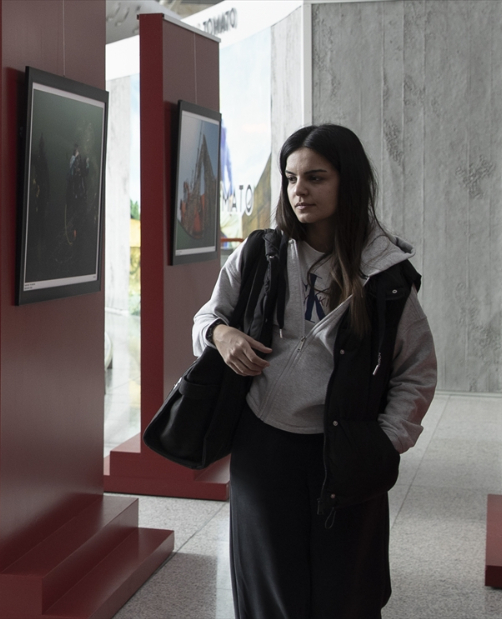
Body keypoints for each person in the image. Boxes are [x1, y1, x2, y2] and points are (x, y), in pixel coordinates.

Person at [193, 124, 437, 618]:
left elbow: (416, 369)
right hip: (263, 446)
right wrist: (221, 335)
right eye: (290, 178)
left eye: (315, 177)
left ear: (349, 181)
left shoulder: (386, 275)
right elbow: (206, 318)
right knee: (270, 590)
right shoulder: (260, 253)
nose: (299, 190)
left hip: (344, 451)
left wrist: (385, 440)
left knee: (343, 592)